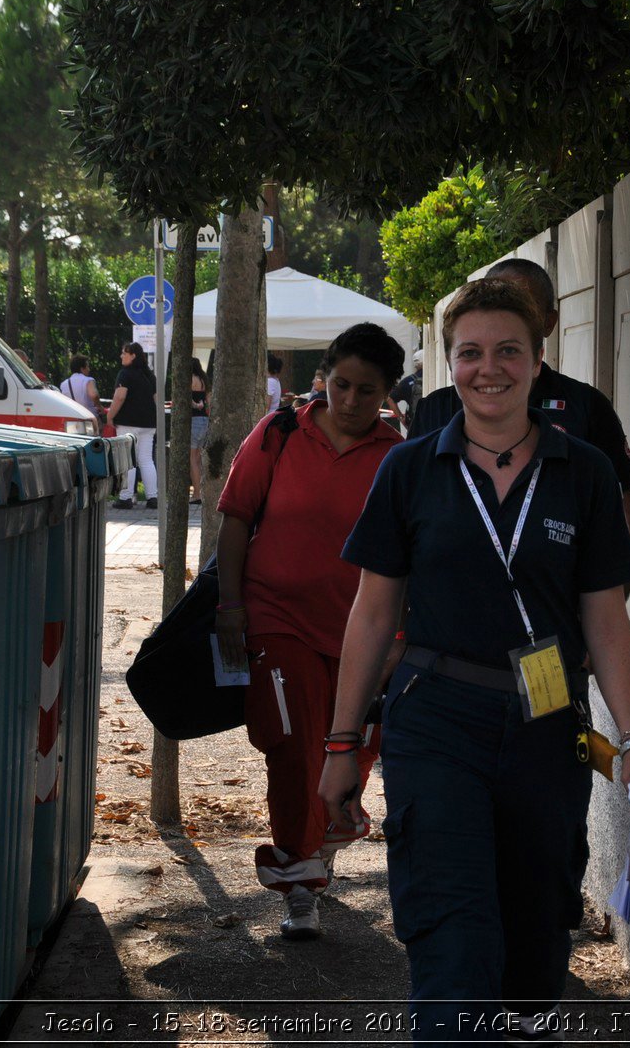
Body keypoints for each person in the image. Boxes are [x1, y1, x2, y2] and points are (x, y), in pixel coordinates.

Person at [320, 277, 630, 1042]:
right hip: (437, 719)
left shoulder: (585, 474)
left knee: (536, 932)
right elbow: (373, 613)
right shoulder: (410, 470)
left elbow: (605, 621)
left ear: (538, 362)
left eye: (508, 350)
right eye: (471, 353)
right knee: (452, 931)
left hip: (548, 727)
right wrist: (343, 743)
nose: (490, 368)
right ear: (450, 365)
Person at [215, 323, 408, 942]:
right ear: (324, 375)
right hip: (277, 620)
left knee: (345, 750)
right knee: (295, 746)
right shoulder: (276, 433)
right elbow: (236, 518)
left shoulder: (399, 454)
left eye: (367, 390)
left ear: (388, 392)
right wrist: (230, 606)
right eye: (341, 384)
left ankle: (318, 848)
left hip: (365, 634)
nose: (350, 401)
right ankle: (300, 882)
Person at [410, 259, 630, 560]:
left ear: (548, 324)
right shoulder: (433, 413)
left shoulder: (586, 407)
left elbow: (623, 524)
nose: (490, 368)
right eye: (471, 352)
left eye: (524, 309)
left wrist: (599, 602)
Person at [105, 342, 159, 509]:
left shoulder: (125, 374)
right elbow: (157, 400)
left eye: (124, 353)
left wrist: (109, 416)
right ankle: (153, 497)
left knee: (128, 460)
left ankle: (125, 497)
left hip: (128, 423)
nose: (122, 356)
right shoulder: (150, 376)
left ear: (133, 355)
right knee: (146, 459)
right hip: (148, 424)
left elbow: (120, 397)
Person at [59, 353, 102, 428]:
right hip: (89, 418)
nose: (89, 369)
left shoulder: (64, 384)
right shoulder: (88, 380)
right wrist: (99, 407)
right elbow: (93, 395)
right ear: (82, 369)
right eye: (87, 366)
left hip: (72, 421)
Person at [190, 357, 210, 504]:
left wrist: (196, 405)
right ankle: (202, 492)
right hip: (204, 420)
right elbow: (209, 400)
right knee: (199, 459)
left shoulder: (190, 379)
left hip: (194, 419)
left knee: (192, 459)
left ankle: (196, 493)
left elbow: (187, 398)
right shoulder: (204, 380)